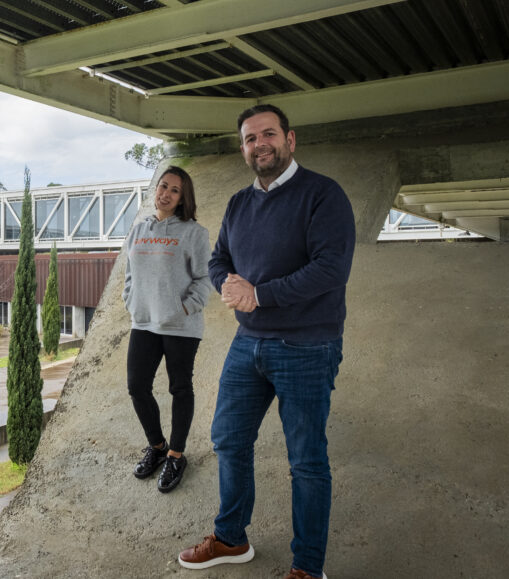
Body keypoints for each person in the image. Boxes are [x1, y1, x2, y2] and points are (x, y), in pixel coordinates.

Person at [178, 104, 355, 579]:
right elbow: (219, 260)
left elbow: (331, 269)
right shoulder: (239, 203)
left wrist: (260, 295)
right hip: (248, 343)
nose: (260, 144)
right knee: (229, 439)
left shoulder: (323, 195)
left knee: (306, 461)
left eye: (268, 134)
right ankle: (231, 538)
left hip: (308, 347)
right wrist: (230, 287)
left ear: (289, 140)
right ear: (243, 149)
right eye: (250, 138)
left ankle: (308, 568)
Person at [123, 166, 212, 493]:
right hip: (144, 322)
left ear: (183, 198)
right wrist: (131, 301)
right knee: (137, 387)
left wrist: (184, 308)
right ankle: (157, 446)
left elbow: (205, 278)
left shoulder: (194, 233)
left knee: (180, 388)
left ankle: (176, 455)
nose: (166, 194)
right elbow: (130, 274)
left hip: (180, 326)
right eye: (163, 186)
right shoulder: (138, 230)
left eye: (175, 190)